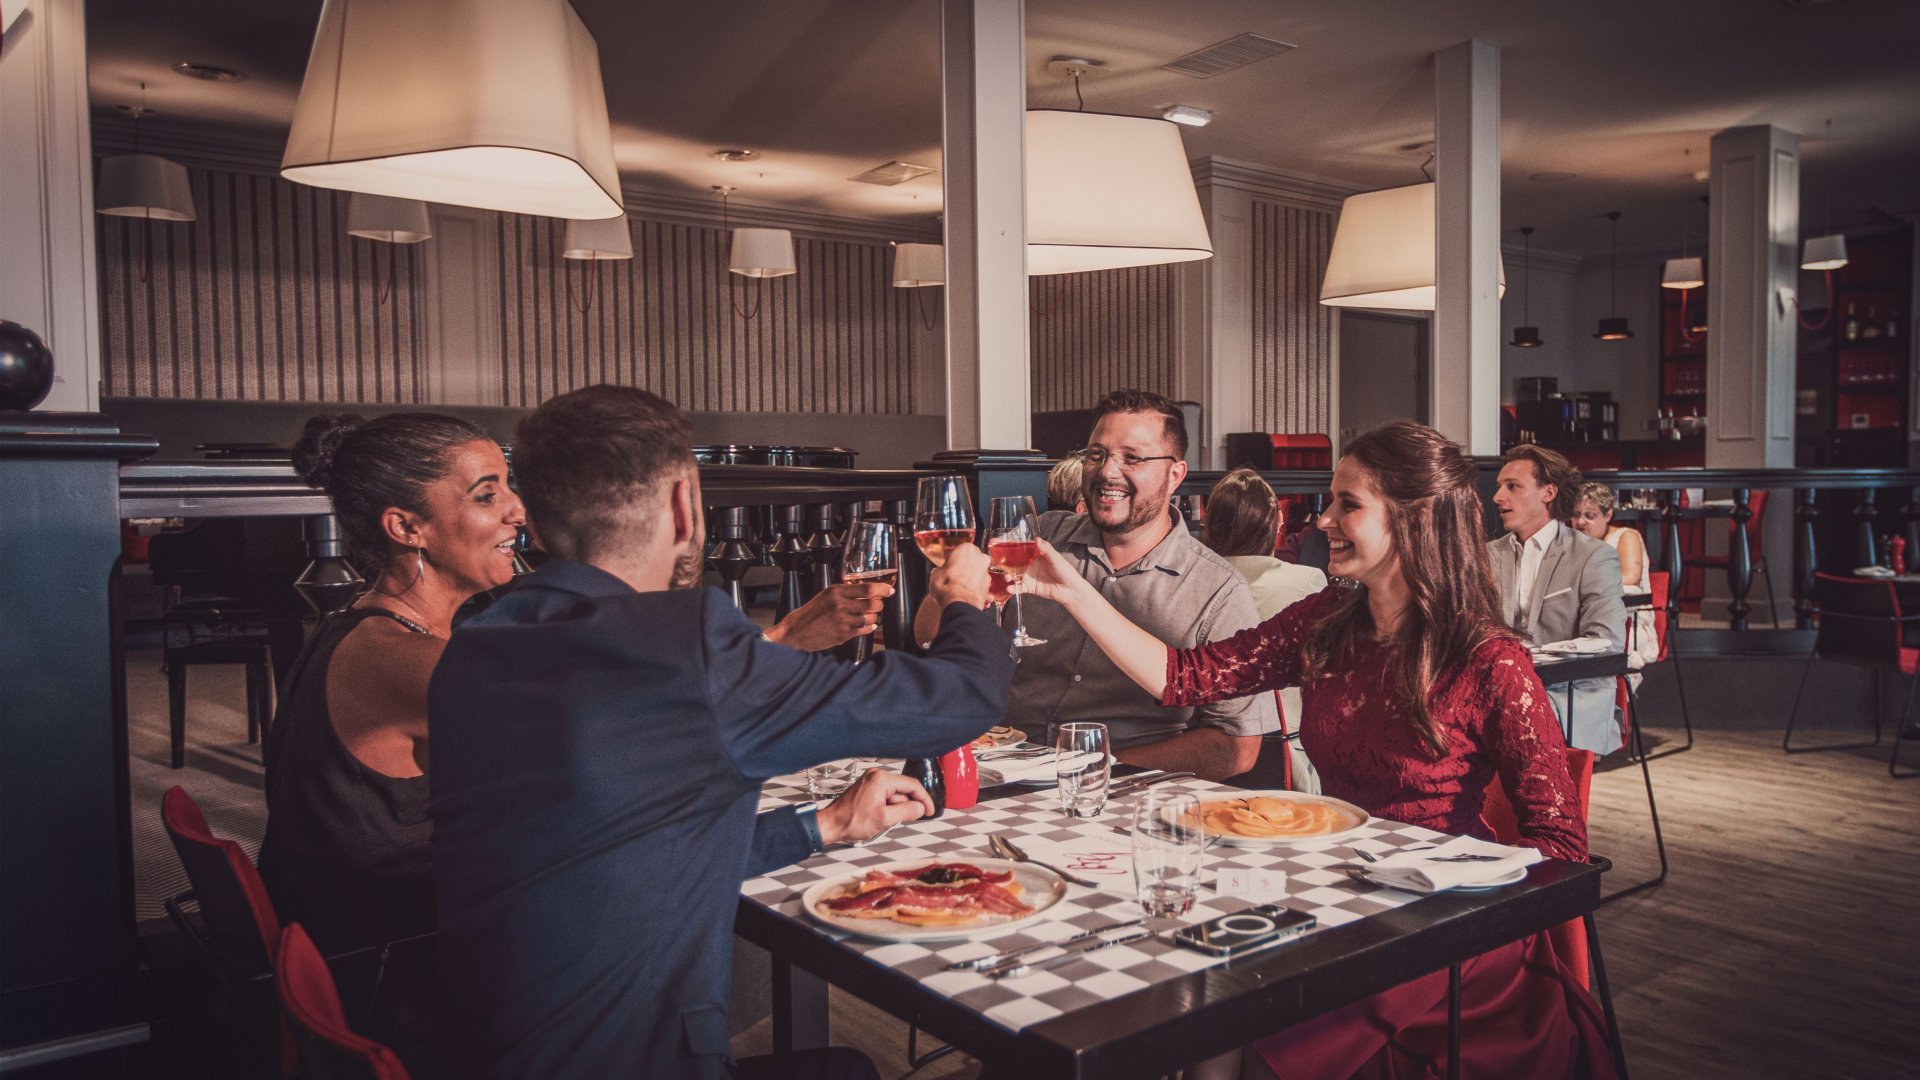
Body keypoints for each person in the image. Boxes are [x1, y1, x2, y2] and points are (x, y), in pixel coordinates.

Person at [427, 385, 1013, 1079]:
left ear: (541, 519)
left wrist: (820, 826)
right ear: (684, 505)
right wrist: (961, 600)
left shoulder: (478, 641)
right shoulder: (687, 644)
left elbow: (619, 846)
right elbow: (962, 699)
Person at [1017, 420, 1612, 1079]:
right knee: (1199, 998)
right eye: (1330, 501)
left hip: (1444, 927)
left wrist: (1456, 881)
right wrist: (1071, 591)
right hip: (1337, 891)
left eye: (1347, 505)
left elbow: (1563, 853)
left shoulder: (1490, 661)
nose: (1322, 520)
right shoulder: (1328, 622)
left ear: (1413, 522)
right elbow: (1184, 676)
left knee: (1255, 1038)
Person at [916, 389, 1277, 781]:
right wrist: (950, 583)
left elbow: (1236, 749)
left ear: (1175, 475)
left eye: (1132, 458)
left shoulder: (1217, 591)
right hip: (995, 774)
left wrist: (1095, 770)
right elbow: (928, 636)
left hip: (1127, 793)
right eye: (1097, 454)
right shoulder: (1037, 537)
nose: (1107, 471)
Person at [1488, 445, 1626, 754]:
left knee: (1506, 720)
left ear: (1548, 492)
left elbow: (1607, 640)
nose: (1498, 496)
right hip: (1497, 689)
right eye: (1499, 486)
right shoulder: (1486, 556)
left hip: (1568, 691)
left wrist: (1526, 659)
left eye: (1512, 486)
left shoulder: (1594, 557)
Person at [1199, 468, 1327, 792]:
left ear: (1210, 524)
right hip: (1290, 755)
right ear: (1277, 525)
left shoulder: (1193, 585)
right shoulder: (1308, 583)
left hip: (1202, 750)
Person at [1571, 482, 1659, 678]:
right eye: (1576, 515)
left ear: (1608, 515)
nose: (1581, 522)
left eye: (1589, 515)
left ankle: (1607, 701)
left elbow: (1630, 578)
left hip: (1629, 621)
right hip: (1584, 620)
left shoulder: (1625, 536)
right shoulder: (1573, 543)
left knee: (1600, 648)